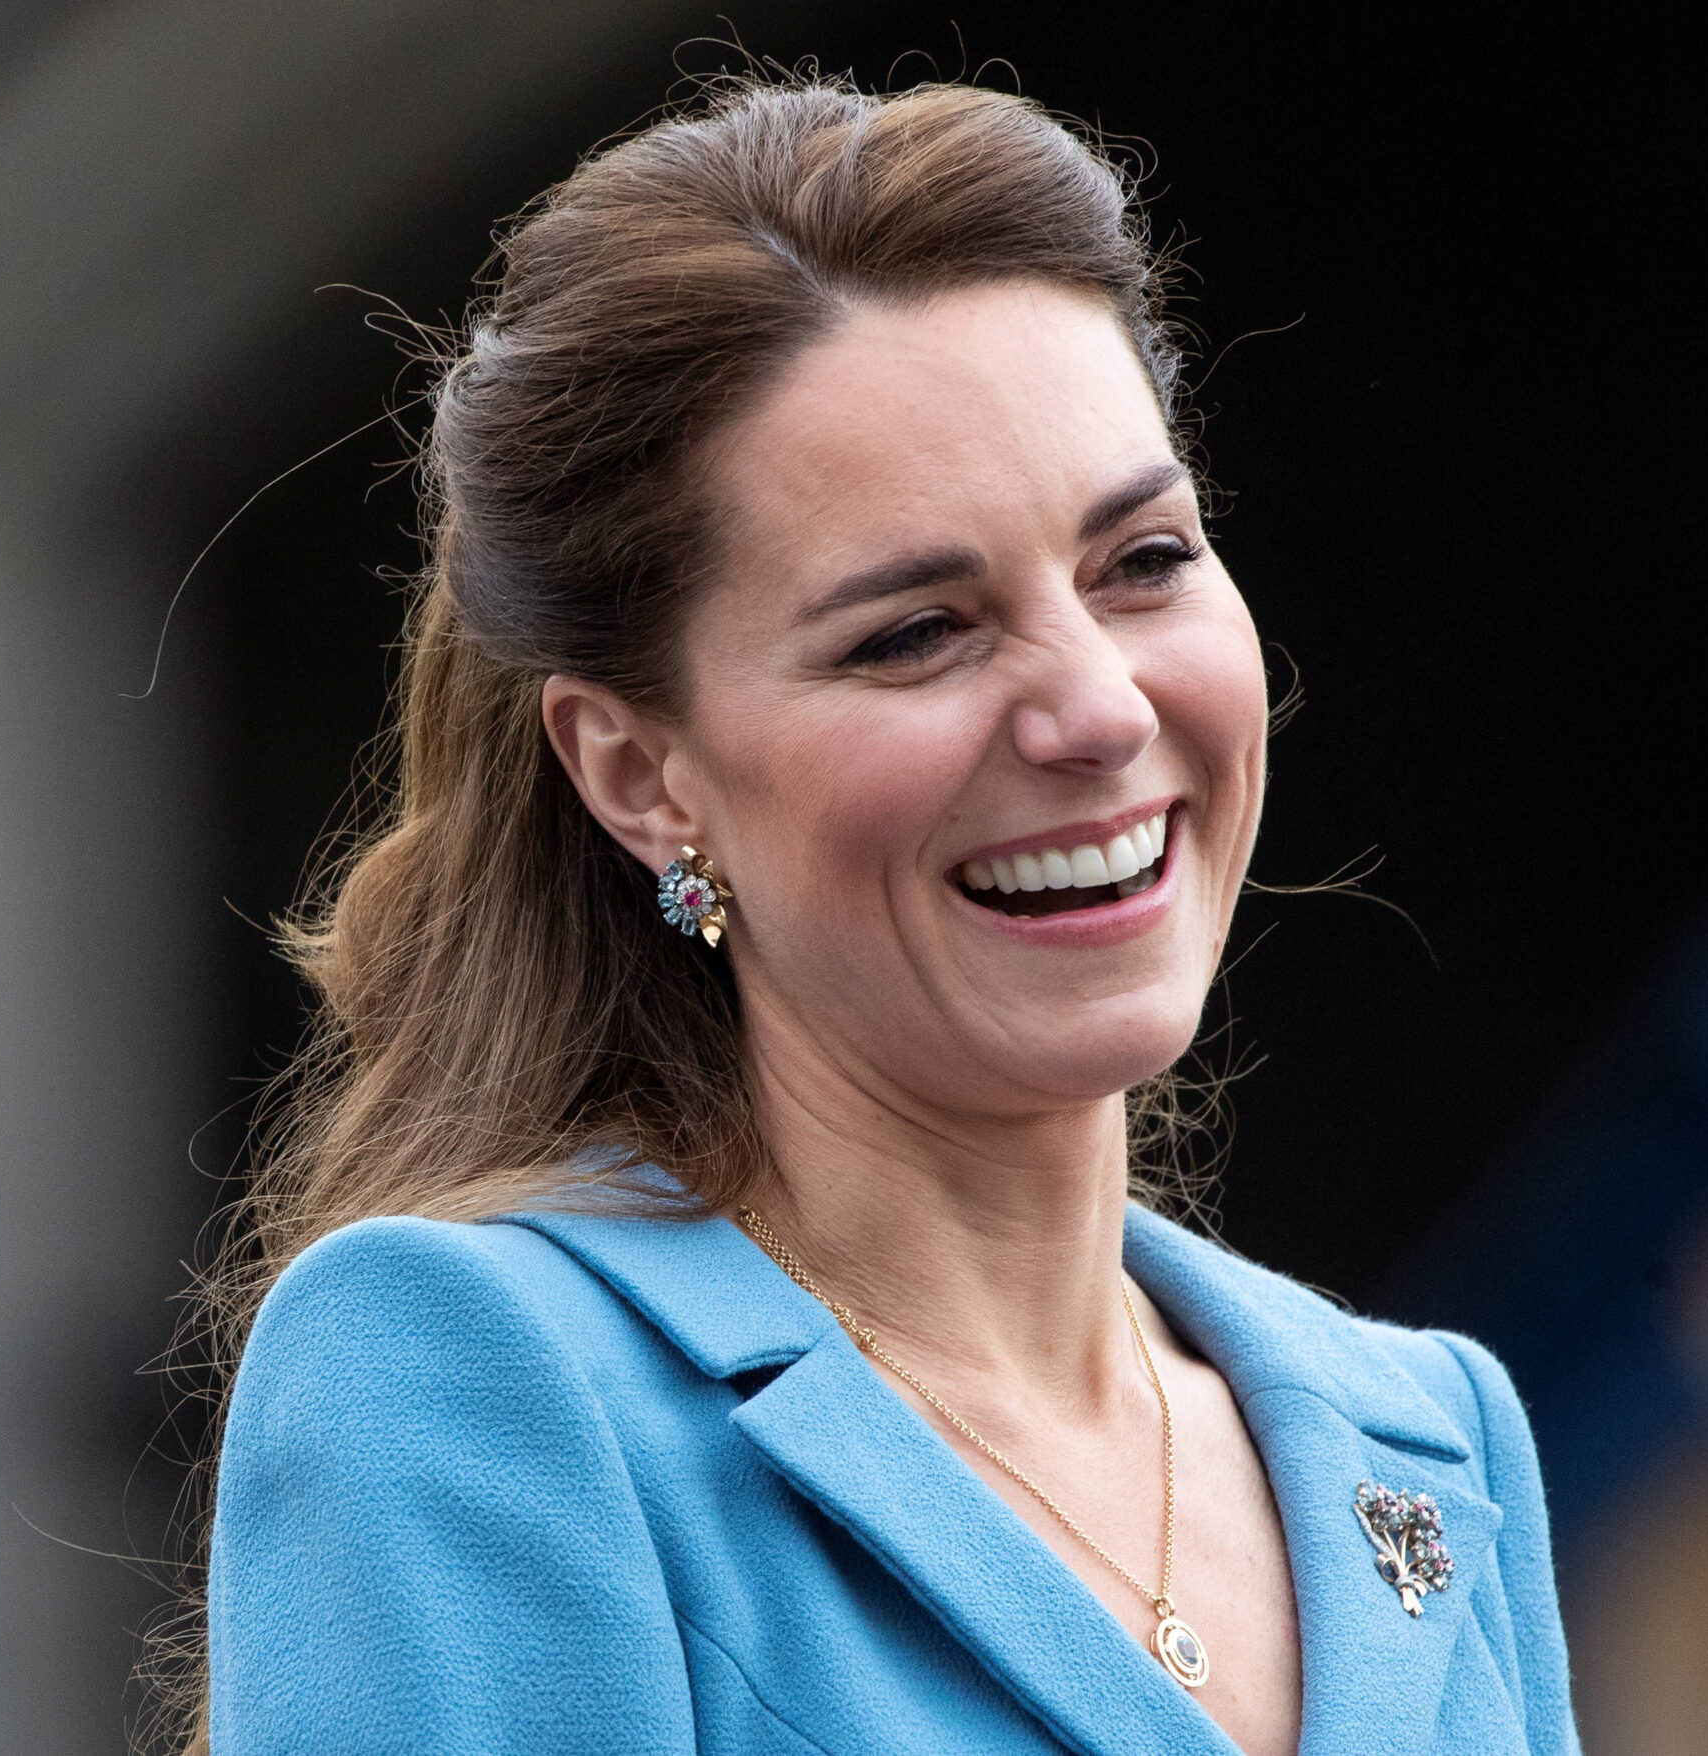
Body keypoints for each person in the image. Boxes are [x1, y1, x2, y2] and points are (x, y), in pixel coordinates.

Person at [198, 75, 1577, 1756]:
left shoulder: (1428, 1437)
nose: (1096, 708)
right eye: (916, 631)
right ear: (642, 776)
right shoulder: (481, 1380)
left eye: (1143, 560)